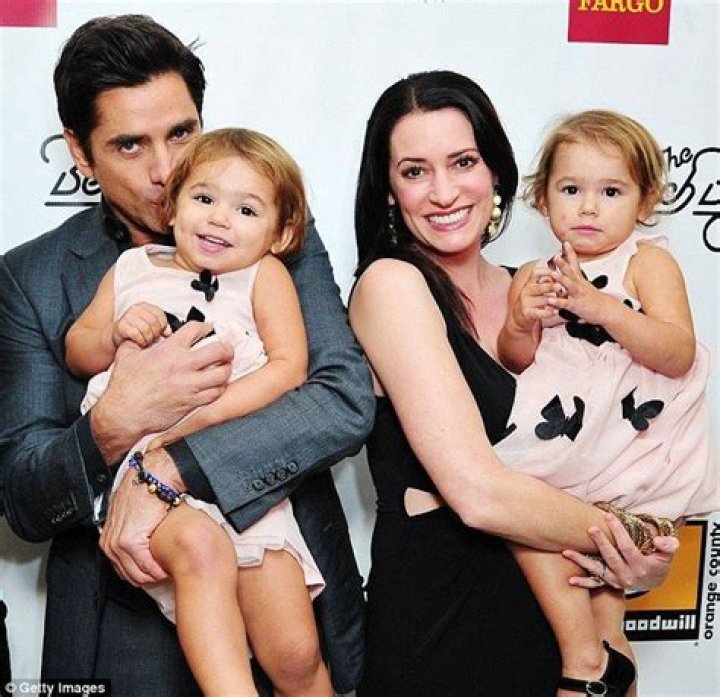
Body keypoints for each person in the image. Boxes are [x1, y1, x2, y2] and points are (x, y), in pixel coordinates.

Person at [0, 15, 373, 696]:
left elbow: (340, 398)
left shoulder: (269, 229)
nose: (166, 170)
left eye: (181, 133)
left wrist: (170, 466)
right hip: (123, 636)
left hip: (282, 594)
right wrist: (113, 423)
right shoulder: (33, 277)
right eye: (129, 145)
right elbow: (25, 495)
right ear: (80, 153)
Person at [349, 70, 679, 696]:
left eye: (463, 162)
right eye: (415, 171)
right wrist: (637, 535)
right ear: (389, 190)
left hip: (585, 649)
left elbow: (616, 452)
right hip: (448, 637)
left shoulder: (543, 291)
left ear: (495, 170)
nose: (444, 192)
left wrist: (643, 563)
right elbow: (480, 494)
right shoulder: (392, 286)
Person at [65, 128, 333, 697]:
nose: (219, 219)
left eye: (246, 209)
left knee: (294, 651)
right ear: (172, 205)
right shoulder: (134, 268)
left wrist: (202, 420)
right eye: (204, 198)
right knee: (200, 549)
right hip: (144, 470)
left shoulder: (263, 276)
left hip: (236, 473)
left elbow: (288, 368)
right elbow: (78, 349)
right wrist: (114, 333)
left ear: (281, 233)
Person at [495, 109, 718, 697]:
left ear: (646, 202)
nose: (589, 208)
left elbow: (678, 353)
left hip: (627, 447)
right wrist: (520, 322)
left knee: (608, 599)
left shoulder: (647, 263)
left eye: (611, 192)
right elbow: (515, 360)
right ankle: (588, 659)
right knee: (529, 524)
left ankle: (593, 662)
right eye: (571, 190)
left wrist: (602, 308)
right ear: (542, 199)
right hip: (561, 444)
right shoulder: (532, 274)